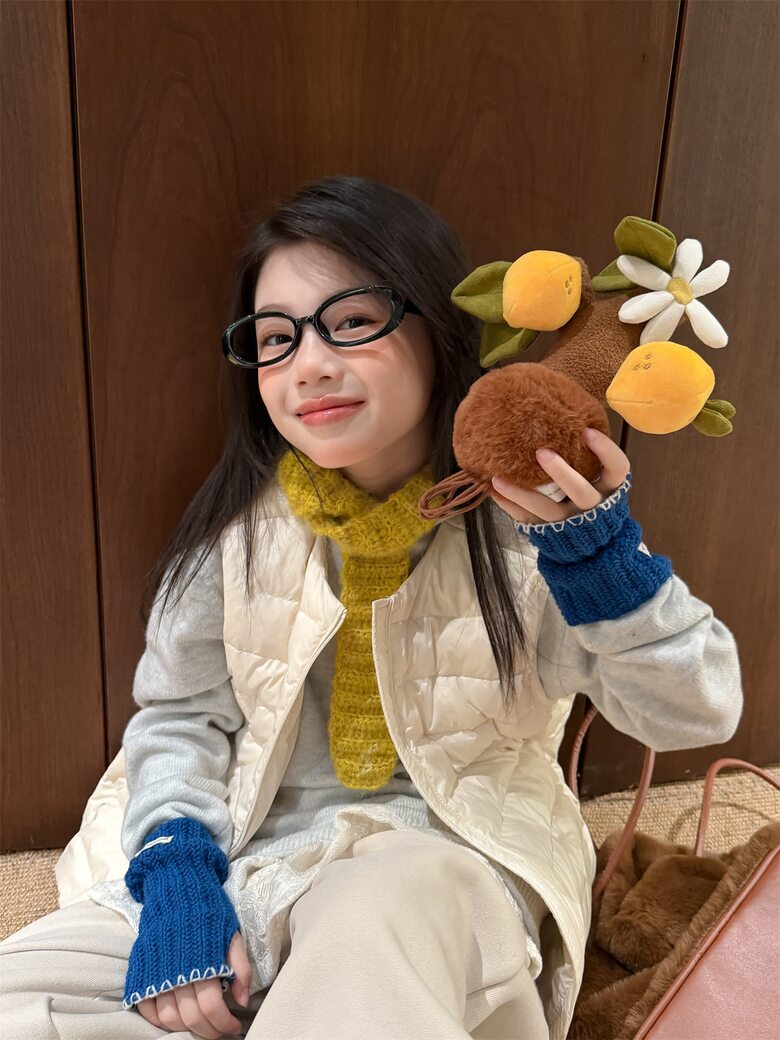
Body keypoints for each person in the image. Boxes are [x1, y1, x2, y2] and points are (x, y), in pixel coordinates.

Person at [0, 175, 743, 1040]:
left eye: (352, 321)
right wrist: (177, 877)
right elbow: (178, 719)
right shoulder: (233, 538)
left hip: (436, 857)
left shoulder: (536, 539)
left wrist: (602, 563)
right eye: (274, 338)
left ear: (440, 328)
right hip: (241, 859)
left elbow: (693, 713)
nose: (309, 364)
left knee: (371, 939)